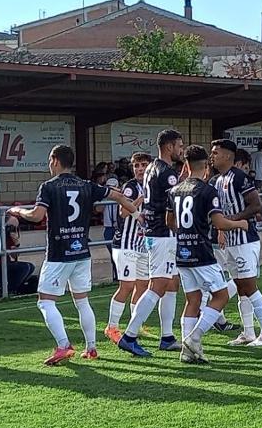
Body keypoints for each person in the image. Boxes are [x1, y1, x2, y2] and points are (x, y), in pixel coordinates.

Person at [8, 145, 138, 365]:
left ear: (55, 160)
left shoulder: (48, 186)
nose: (50, 165)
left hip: (59, 253)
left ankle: (63, 345)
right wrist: (136, 213)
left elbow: (36, 215)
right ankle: (92, 348)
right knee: (82, 301)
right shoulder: (86, 185)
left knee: (45, 301)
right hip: (82, 251)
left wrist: (17, 211)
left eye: (50, 160)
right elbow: (116, 195)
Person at [168, 145, 253, 364]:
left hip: (182, 252)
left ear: (186, 165)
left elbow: (170, 222)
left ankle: (186, 352)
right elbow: (219, 223)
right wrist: (240, 223)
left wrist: (185, 234)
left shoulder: (175, 190)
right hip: (202, 252)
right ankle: (194, 338)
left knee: (192, 300)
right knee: (221, 295)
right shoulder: (207, 190)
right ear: (206, 166)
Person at [117, 129, 186, 357]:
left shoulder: (151, 170)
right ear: (168, 147)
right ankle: (130, 335)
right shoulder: (166, 173)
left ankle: (167, 336)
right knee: (157, 285)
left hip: (154, 233)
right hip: (162, 234)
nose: (181, 150)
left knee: (172, 282)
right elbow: (172, 205)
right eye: (179, 146)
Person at [210, 139, 262, 347]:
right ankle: (248, 332)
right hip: (229, 241)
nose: (212, 156)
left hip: (245, 241)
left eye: (216, 153)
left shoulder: (239, 177)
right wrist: (222, 227)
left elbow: (256, 205)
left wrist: (234, 220)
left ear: (228, 156)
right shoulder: (216, 180)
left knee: (250, 286)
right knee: (240, 288)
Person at [105, 152, 150, 341]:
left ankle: (135, 325)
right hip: (125, 244)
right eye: (136, 165)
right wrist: (140, 200)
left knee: (142, 285)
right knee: (127, 285)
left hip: (141, 243)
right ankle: (112, 327)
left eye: (143, 165)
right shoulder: (131, 187)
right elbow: (123, 212)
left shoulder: (152, 185)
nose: (140, 169)